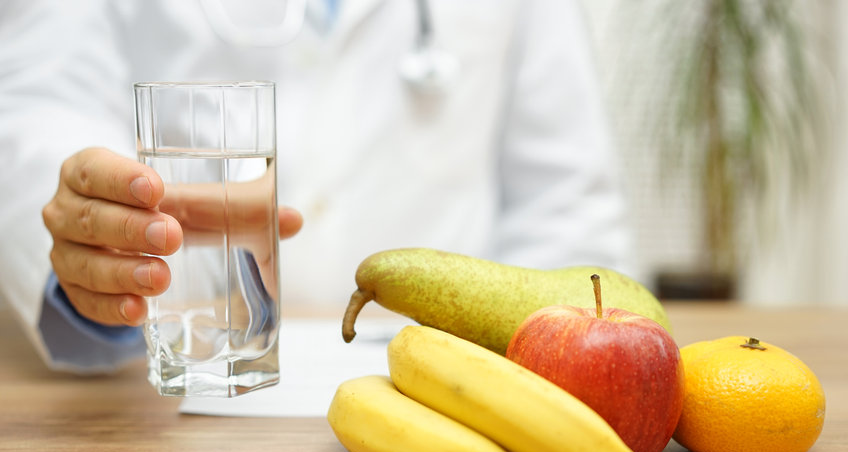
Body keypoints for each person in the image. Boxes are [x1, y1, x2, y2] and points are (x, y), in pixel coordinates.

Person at [0, 0, 634, 374]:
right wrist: (92, 235)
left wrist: (532, 379)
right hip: (176, 385)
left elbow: (565, 201)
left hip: (450, 387)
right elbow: (39, 96)